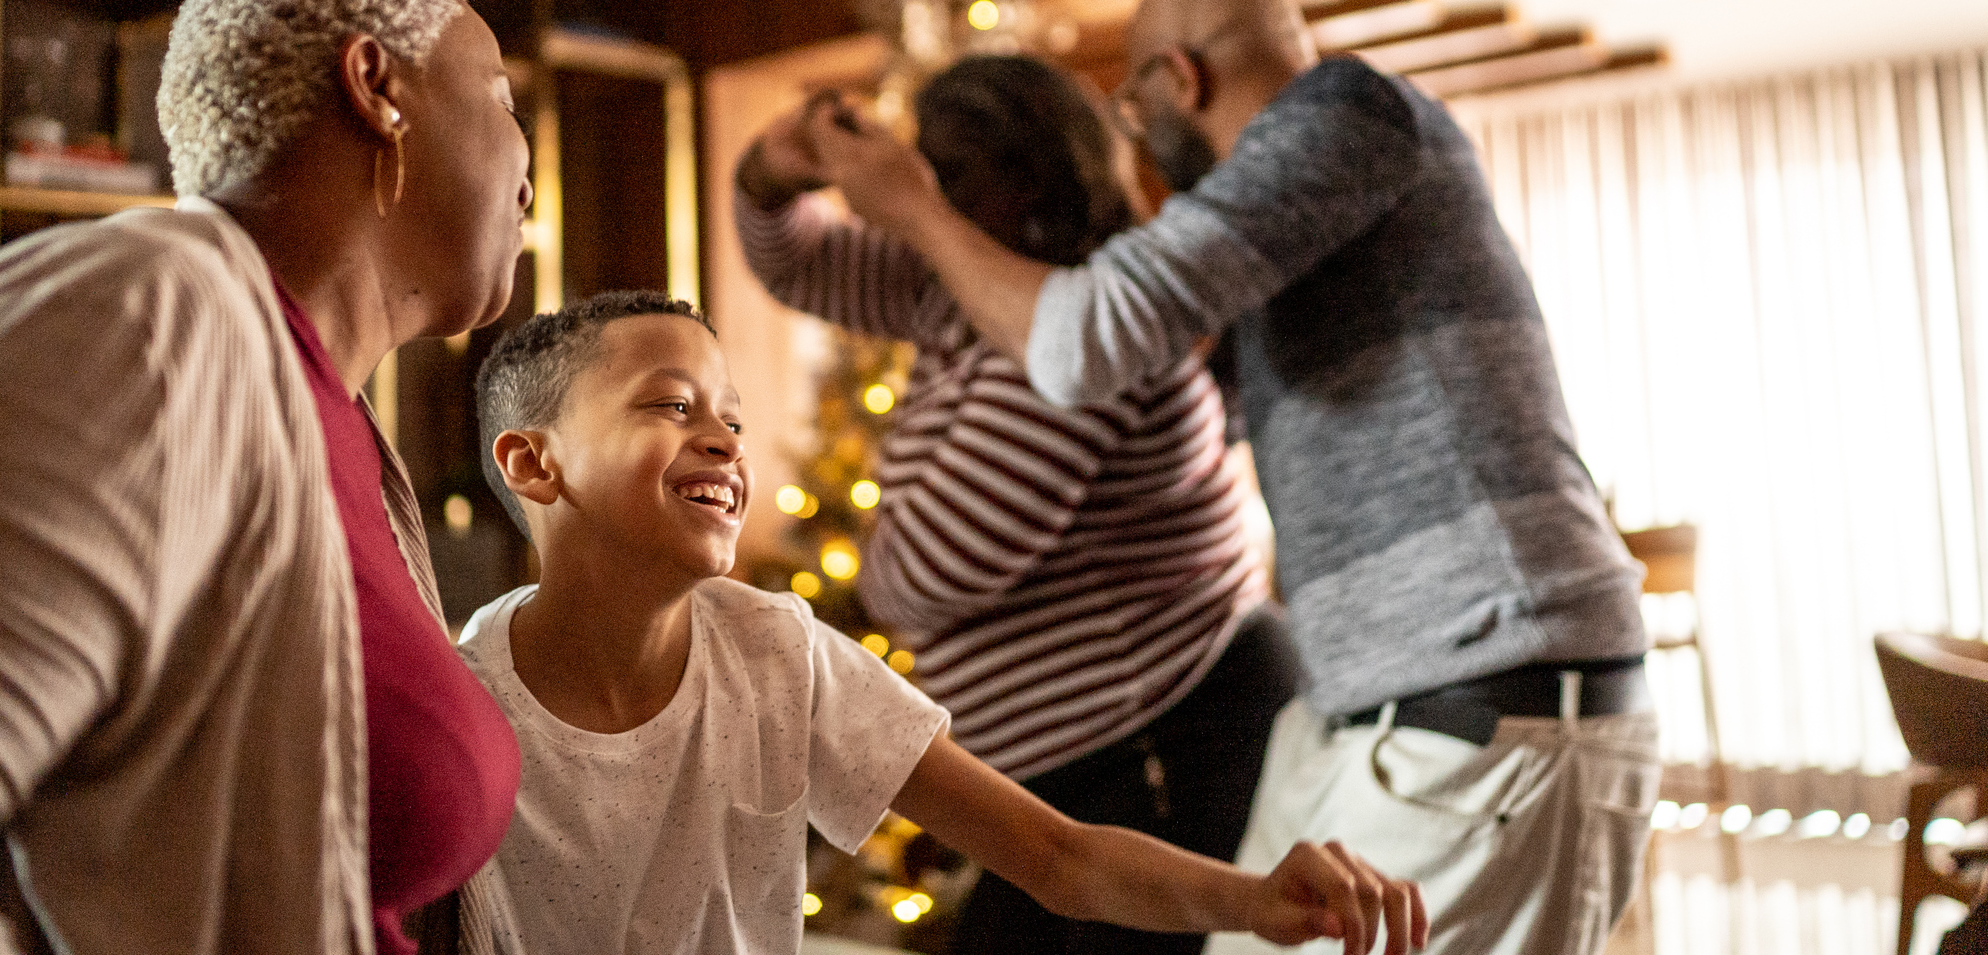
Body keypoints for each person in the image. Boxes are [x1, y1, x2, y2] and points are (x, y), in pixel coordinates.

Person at [799, 0, 1661, 955]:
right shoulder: (1288, 228)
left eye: (1134, 103)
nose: (1140, 137)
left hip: (1482, 694)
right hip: (1399, 711)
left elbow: (1080, 344)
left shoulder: (1347, 112)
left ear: (1180, 77)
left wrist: (913, 207)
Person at [0, 0, 533, 955]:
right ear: (378, 84)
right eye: (501, 96)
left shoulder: (341, 423)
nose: (528, 170)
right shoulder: (142, 316)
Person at [460, 290, 1427, 955]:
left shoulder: (778, 653)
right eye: (672, 404)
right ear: (534, 465)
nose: (721, 437)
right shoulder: (459, 699)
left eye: (734, 417)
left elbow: (1059, 856)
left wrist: (1255, 898)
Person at [733, 55, 1294, 955]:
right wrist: (780, 159)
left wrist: (912, 208)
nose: (922, 189)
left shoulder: (1075, 332)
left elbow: (923, 579)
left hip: (1145, 756)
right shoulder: (963, 290)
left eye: (947, 170)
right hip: (1076, 781)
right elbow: (792, 257)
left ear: (1023, 182)